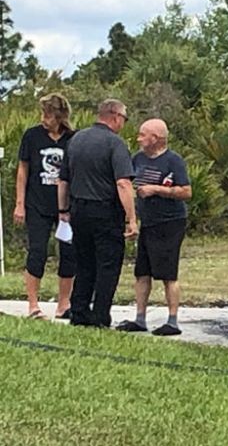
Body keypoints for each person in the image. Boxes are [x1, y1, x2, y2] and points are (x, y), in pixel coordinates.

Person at [57, 99, 138, 328]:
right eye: (124, 118)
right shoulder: (115, 143)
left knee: (84, 263)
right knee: (108, 264)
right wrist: (131, 219)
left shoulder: (75, 140)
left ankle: (79, 311)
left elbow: (63, 181)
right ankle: (100, 316)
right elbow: (123, 183)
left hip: (78, 210)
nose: (123, 123)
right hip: (105, 211)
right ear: (114, 116)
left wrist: (63, 210)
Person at [116, 119, 191, 336]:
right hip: (147, 222)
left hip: (170, 222)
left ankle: (173, 320)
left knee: (168, 273)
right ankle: (140, 318)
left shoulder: (173, 161)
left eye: (142, 135)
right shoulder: (137, 159)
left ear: (155, 138)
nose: (138, 139)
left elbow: (186, 191)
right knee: (142, 272)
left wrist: (157, 190)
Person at [14, 94, 76, 320]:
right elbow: (23, 171)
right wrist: (20, 203)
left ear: (59, 117)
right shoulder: (32, 136)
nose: (44, 119)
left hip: (65, 207)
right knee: (37, 251)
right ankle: (33, 304)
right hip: (37, 204)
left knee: (69, 253)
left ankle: (63, 303)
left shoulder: (72, 138)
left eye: (48, 115)